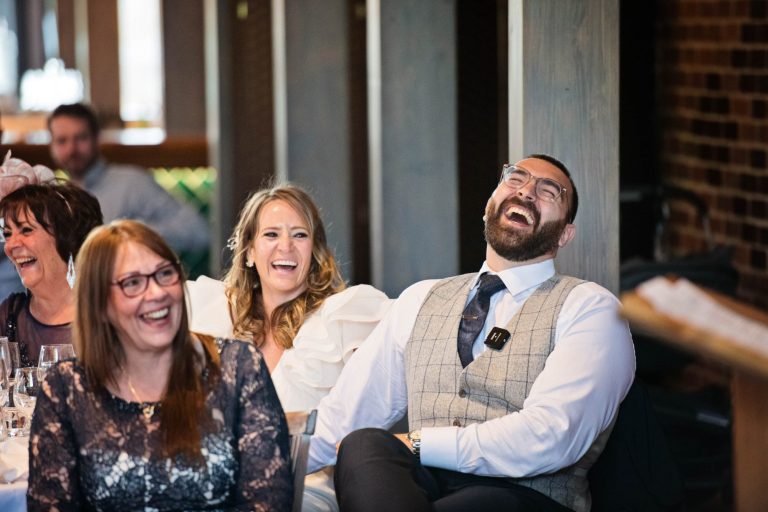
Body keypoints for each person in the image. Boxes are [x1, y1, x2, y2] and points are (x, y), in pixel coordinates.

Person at [308, 154, 636, 512]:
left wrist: (420, 444)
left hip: (522, 498)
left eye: (548, 191)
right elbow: (337, 422)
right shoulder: (420, 299)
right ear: (488, 207)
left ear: (565, 234)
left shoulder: (589, 308)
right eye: (515, 179)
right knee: (362, 444)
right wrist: (263, 470)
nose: (526, 191)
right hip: (417, 492)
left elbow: (553, 436)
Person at [27, 220, 293, 511]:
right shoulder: (66, 389)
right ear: (100, 304)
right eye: (132, 283)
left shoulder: (238, 367)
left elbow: (268, 502)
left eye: (165, 274)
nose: (157, 293)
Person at [187, 183, 391, 511]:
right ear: (249, 251)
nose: (286, 246)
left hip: (305, 488)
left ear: (314, 250)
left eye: (299, 235)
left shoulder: (343, 317)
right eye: (271, 235)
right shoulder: (214, 314)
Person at [47, 102, 210, 255]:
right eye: (62, 141)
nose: (72, 149)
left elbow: (197, 230)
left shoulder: (133, 182)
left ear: (97, 138)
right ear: (52, 146)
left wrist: (128, 235)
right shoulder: (55, 196)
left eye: (81, 138)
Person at [0, 152, 103, 365]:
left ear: (67, 238)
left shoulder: (106, 316)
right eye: (7, 234)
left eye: (26, 230)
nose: (10, 245)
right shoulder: (9, 316)